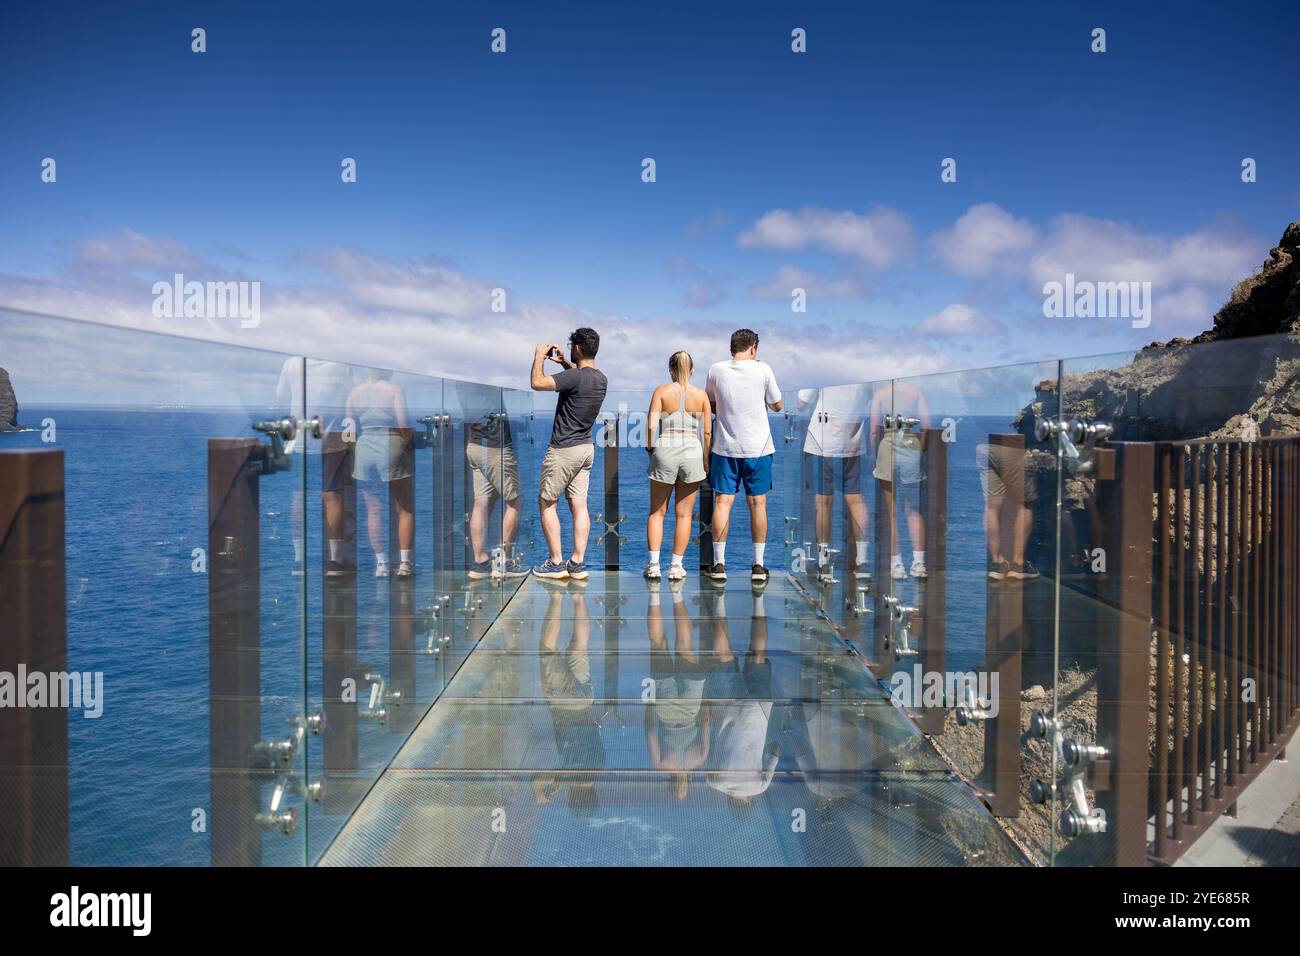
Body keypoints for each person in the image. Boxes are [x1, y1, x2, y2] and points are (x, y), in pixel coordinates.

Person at [704, 329, 782, 584]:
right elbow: (777, 404)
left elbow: (711, 402)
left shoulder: (716, 370)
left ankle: (718, 564)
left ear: (731, 348)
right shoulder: (763, 370)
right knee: (758, 504)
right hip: (758, 448)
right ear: (753, 348)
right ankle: (758, 566)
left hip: (725, 447)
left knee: (722, 503)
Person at [529, 328, 608, 580]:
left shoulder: (574, 377)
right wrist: (563, 361)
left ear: (576, 348)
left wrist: (539, 356)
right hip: (586, 448)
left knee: (547, 502)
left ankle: (555, 563)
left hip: (563, 449)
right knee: (579, 505)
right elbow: (575, 379)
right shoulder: (601, 379)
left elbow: (537, 383)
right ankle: (577, 563)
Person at [644, 351, 711, 581]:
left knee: (657, 512)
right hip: (692, 450)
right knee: (683, 515)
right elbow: (707, 431)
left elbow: (652, 426)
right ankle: (675, 566)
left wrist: (651, 448)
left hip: (666, 448)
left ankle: (654, 566)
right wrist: (705, 458)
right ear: (691, 370)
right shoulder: (701, 395)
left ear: (671, 369)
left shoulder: (662, 392)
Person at [795, 384, 872, 583]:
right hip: (852, 442)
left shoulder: (826, 368)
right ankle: (862, 559)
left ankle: (823, 559)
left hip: (823, 442)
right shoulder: (866, 374)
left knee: (823, 503)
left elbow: (801, 403)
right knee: (855, 499)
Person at [346, 368, 414, 578]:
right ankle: (404, 564)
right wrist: (406, 443)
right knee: (404, 508)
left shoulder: (354, 392)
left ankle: (381, 564)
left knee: (373, 510)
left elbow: (348, 428)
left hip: (364, 445)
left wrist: (356, 450)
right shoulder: (394, 389)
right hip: (389, 442)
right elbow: (403, 423)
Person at [459, 383, 525, 580]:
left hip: (474, 444)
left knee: (482, 502)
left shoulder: (461, 382)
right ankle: (504, 561)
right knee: (515, 501)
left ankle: (480, 562)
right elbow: (513, 383)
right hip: (497, 448)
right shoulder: (487, 378)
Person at [868, 379, 930, 580]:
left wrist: (872, 454)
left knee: (891, 510)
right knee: (913, 510)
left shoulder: (881, 393)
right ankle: (919, 564)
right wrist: (920, 449)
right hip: (911, 444)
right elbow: (927, 426)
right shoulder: (916, 391)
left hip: (888, 444)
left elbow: (874, 430)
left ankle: (897, 565)